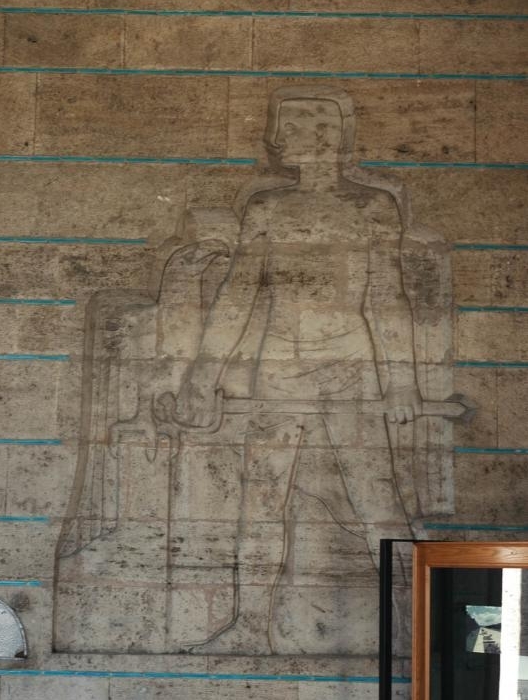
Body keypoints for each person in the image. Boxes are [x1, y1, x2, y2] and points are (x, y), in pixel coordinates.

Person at [173, 85, 422, 653]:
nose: (282, 139)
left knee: (378, 504)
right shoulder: (267, 208)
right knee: (261, 500)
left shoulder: (372, 207)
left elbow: (387, 298)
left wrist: (403, 381)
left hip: (350, 368)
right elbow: (238, 295)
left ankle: (414, 626)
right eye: (283, 129)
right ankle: (249, 629)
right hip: (279, 368)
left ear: (330, 137)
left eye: (296, 128)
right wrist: (202, 375)